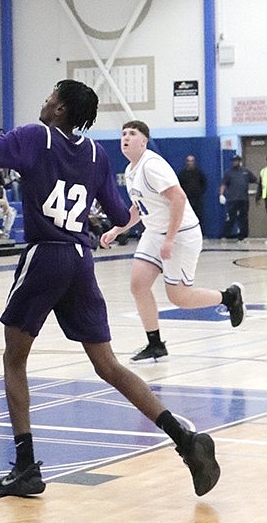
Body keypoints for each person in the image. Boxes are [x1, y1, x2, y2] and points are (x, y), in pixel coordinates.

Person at [0, 67, 221, 500]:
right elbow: (122, 211)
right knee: (107, 365)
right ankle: (185, 439)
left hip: (46, 254)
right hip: (79, 258)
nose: (45, 101)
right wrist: (115, 229)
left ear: (61, 107)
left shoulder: (37, 136)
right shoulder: (95, 154)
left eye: (51, 96)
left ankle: (26, 466)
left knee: (14, 360)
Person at [101, 121, 244, 362]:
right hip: (155, 232)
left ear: (144, 141)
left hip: (180, 234)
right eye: (123, 134)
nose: (125, 137)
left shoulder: (152, 165)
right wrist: (117, 229)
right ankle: (155, 344)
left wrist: (169, 239)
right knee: (138, 284)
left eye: (132, 134)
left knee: (179, 297)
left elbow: (178, 198)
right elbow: (138, 208)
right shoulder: (131, 169)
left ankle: (229, 297)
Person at [220, 155, 257, 239]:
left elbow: (255, 180)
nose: (234, 162)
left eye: (236, 160)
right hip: (232, 199)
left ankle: (243, 235)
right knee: (230, 217)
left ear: (239, 161)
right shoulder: (228, 172)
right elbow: (223, 184)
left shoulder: (246, 172)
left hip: (243, 199)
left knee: (243, 218)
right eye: (233, 160)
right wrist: (221, 194)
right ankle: (227, 235)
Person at [178, 154, 207, 225]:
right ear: (186, 162)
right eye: (188, 161)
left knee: (199, 215)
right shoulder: (182, 174)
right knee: (186, 216)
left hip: (197, 198)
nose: (190, 163)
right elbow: (179, 185)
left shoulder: (199, 173)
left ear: (194, 162)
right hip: (187, 199)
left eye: (192, 161)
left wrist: (200, 193)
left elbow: (204, 183)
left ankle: (201, 233)